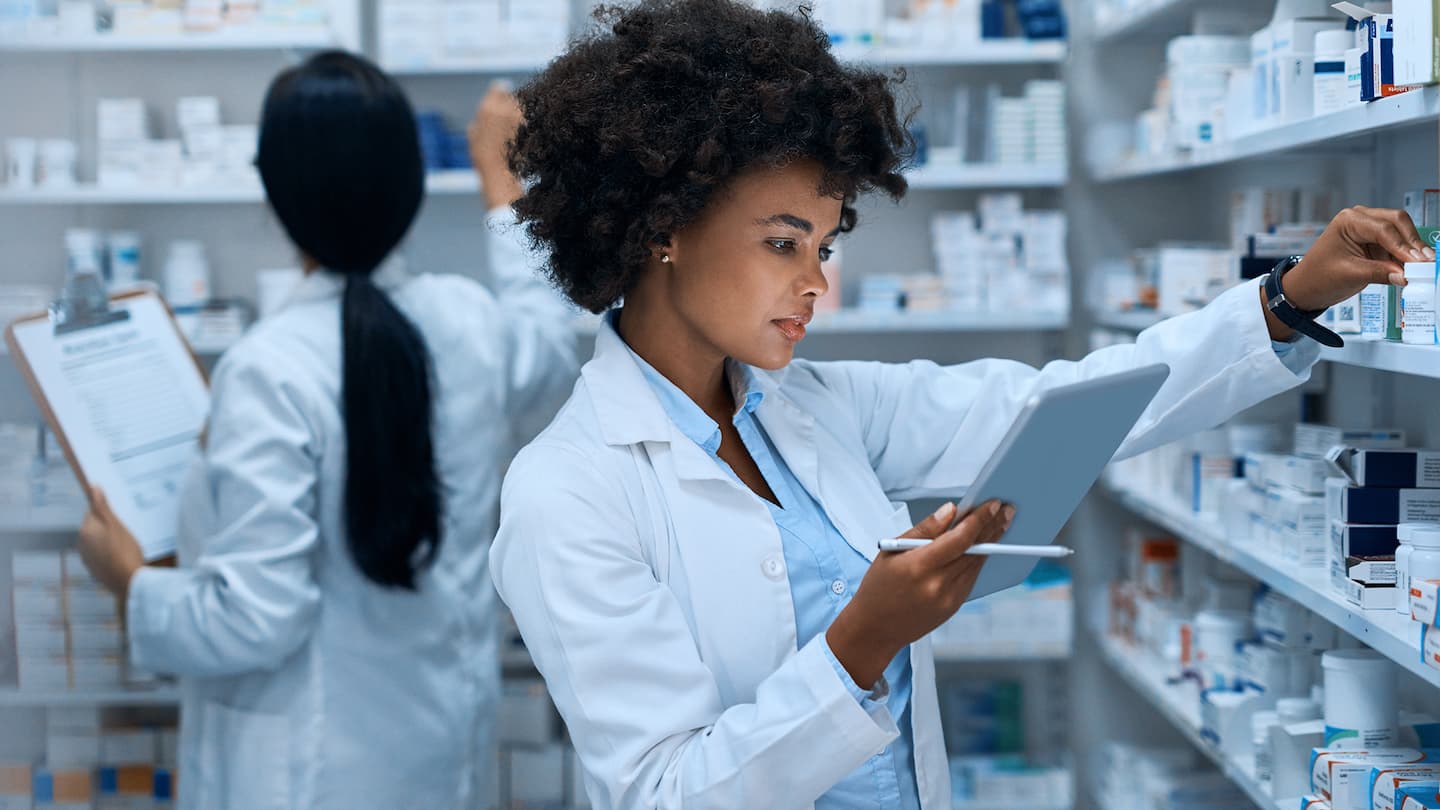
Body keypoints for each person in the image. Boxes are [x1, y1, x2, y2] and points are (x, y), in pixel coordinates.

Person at [487, 2, 1429, 809]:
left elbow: (1067, 404)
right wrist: (863, 641)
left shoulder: (810, 408)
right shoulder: (567, 492)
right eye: (783, 243)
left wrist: (1286, 296)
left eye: (823, 244)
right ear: (662, 229)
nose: (816, 281)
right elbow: (663, 790)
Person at [74, 51, 577, 810]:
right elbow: (548, 338)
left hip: (303, 775)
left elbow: (253, 621)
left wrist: (130, 582)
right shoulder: (471, 324)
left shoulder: (268, 366)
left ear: (277, 193)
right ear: (407, 185)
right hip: (438, 753)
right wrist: (500, 184)